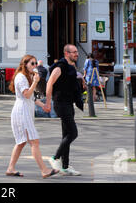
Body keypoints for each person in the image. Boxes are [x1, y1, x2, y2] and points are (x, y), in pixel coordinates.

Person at [5, 55, 59, 179]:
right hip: (21, 112)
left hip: (25, 111)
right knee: (34, 141)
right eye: (32, 63)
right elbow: (27, 94)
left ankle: (10, 168)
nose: (35, 66)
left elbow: (32, 98)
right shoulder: (21, 77)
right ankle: (44, 170)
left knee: (21, 142)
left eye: (35, 63)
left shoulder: (27, 76)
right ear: (25, 64)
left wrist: (44, 106)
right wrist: (35, 81)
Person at [46, 44, 83, 176]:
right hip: (61, 104)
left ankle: (65, 167)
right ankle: (55, 158)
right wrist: (48, 103)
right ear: (66, 54)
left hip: (68, 103)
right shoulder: (60, 67)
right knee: (73, 133)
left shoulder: (70, 67)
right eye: (74, 52)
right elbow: (49, 83)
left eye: (77, 52)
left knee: (66, 135)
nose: (76, 54)